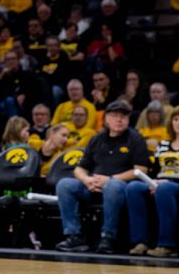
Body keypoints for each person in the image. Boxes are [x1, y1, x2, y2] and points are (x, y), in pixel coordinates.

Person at [55, 100, 150, 254]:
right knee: (64, 184)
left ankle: (108, 237)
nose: (119, 119)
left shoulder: (135, 139)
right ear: (106, 119)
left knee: (113, 185)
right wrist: (86, 180)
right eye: (114, 116)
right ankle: (74, 236)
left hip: (120, 188)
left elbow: (141, 169)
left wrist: (111, 179)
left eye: (123, 116)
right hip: (92, 186)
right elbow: (79, 169)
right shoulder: (97, 139)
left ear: (128, 119)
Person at [125, 105, 179, 257]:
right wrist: (153, 183)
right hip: (161, 184)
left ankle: (167, 244)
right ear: (171, 122)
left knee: (166, 188)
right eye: (176, 119)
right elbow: (155, 171)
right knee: (133, 187)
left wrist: (165, 183)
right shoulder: (164, 145)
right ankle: (140, 242)